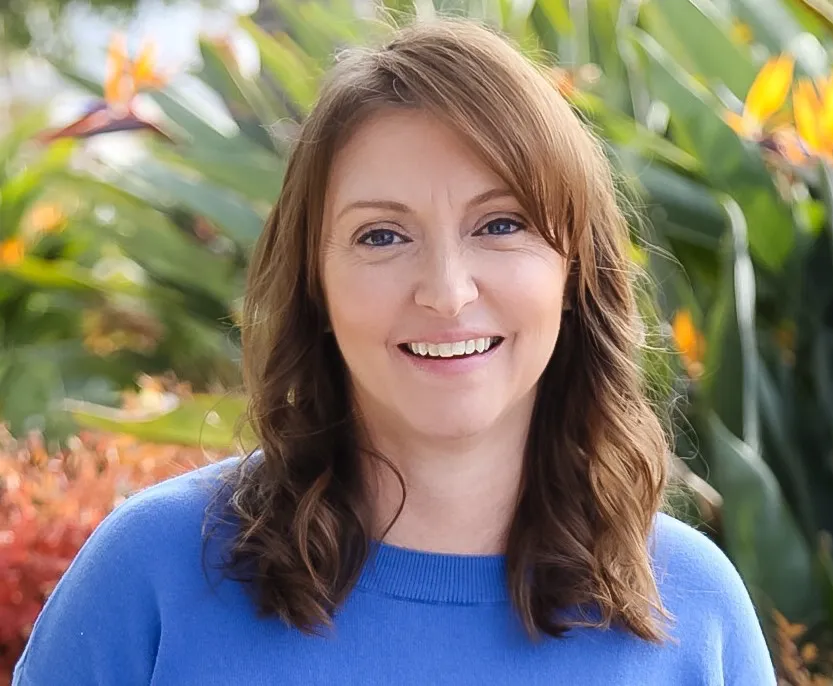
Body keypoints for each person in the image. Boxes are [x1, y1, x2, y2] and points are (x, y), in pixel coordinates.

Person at [13, 18, 776, 685]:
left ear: (575, 271)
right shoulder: (149, 576)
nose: (446, 291)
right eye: (382, 235)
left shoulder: (693, 612)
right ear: (316, 284)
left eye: (500, 224)